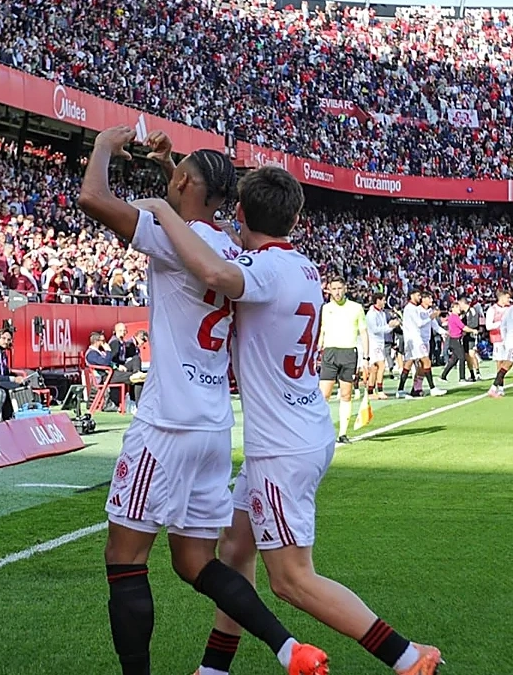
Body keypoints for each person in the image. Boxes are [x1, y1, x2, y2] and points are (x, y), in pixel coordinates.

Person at [134, 164, 442, 675]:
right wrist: (177, 176)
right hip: (298, 430)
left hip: (281, 447)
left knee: (292, 579)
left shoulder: (259, 273)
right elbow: (229, 244)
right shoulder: (301, 266)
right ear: (295, 218)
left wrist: (166, 209)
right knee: (234, 548)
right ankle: (214, 669)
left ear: (238, 213)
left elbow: (215, 271)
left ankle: (406, 657)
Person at [77, 126, 328, 675]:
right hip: (215, 427)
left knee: (124, 560)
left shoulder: (172, 238)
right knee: (195, 563)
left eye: (180, 174)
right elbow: (196, 211)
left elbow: (92, 198)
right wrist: (175, 171)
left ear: (188, 183)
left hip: (168, 422)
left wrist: (102, 146)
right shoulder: (233, 248)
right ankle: (288, 647)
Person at [318, 278, 368, 442]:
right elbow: (322, 331)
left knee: (346, 394)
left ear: (345, 288)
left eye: (340, 288)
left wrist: (366, 358)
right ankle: (322, 431)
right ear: (329, 290)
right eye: (334, 288)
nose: (337, 292)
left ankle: (342, 433)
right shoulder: (325, 309)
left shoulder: (356, 308)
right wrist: (316, 352)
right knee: (323, 394)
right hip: (330, 352)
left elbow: (363, 333)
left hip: (348, 353)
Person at [364, 293, 398, 399]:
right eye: (383, 300)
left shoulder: (382, 313)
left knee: (374, 368)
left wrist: (392, 326)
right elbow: (374, 330)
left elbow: (384, 330)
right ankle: (380, 390)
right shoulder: (371, 314)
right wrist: (388, 326)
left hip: (380, 342)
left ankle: (370, 391)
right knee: (381, 365)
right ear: (377, 301)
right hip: (373, 343)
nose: (384, 302)